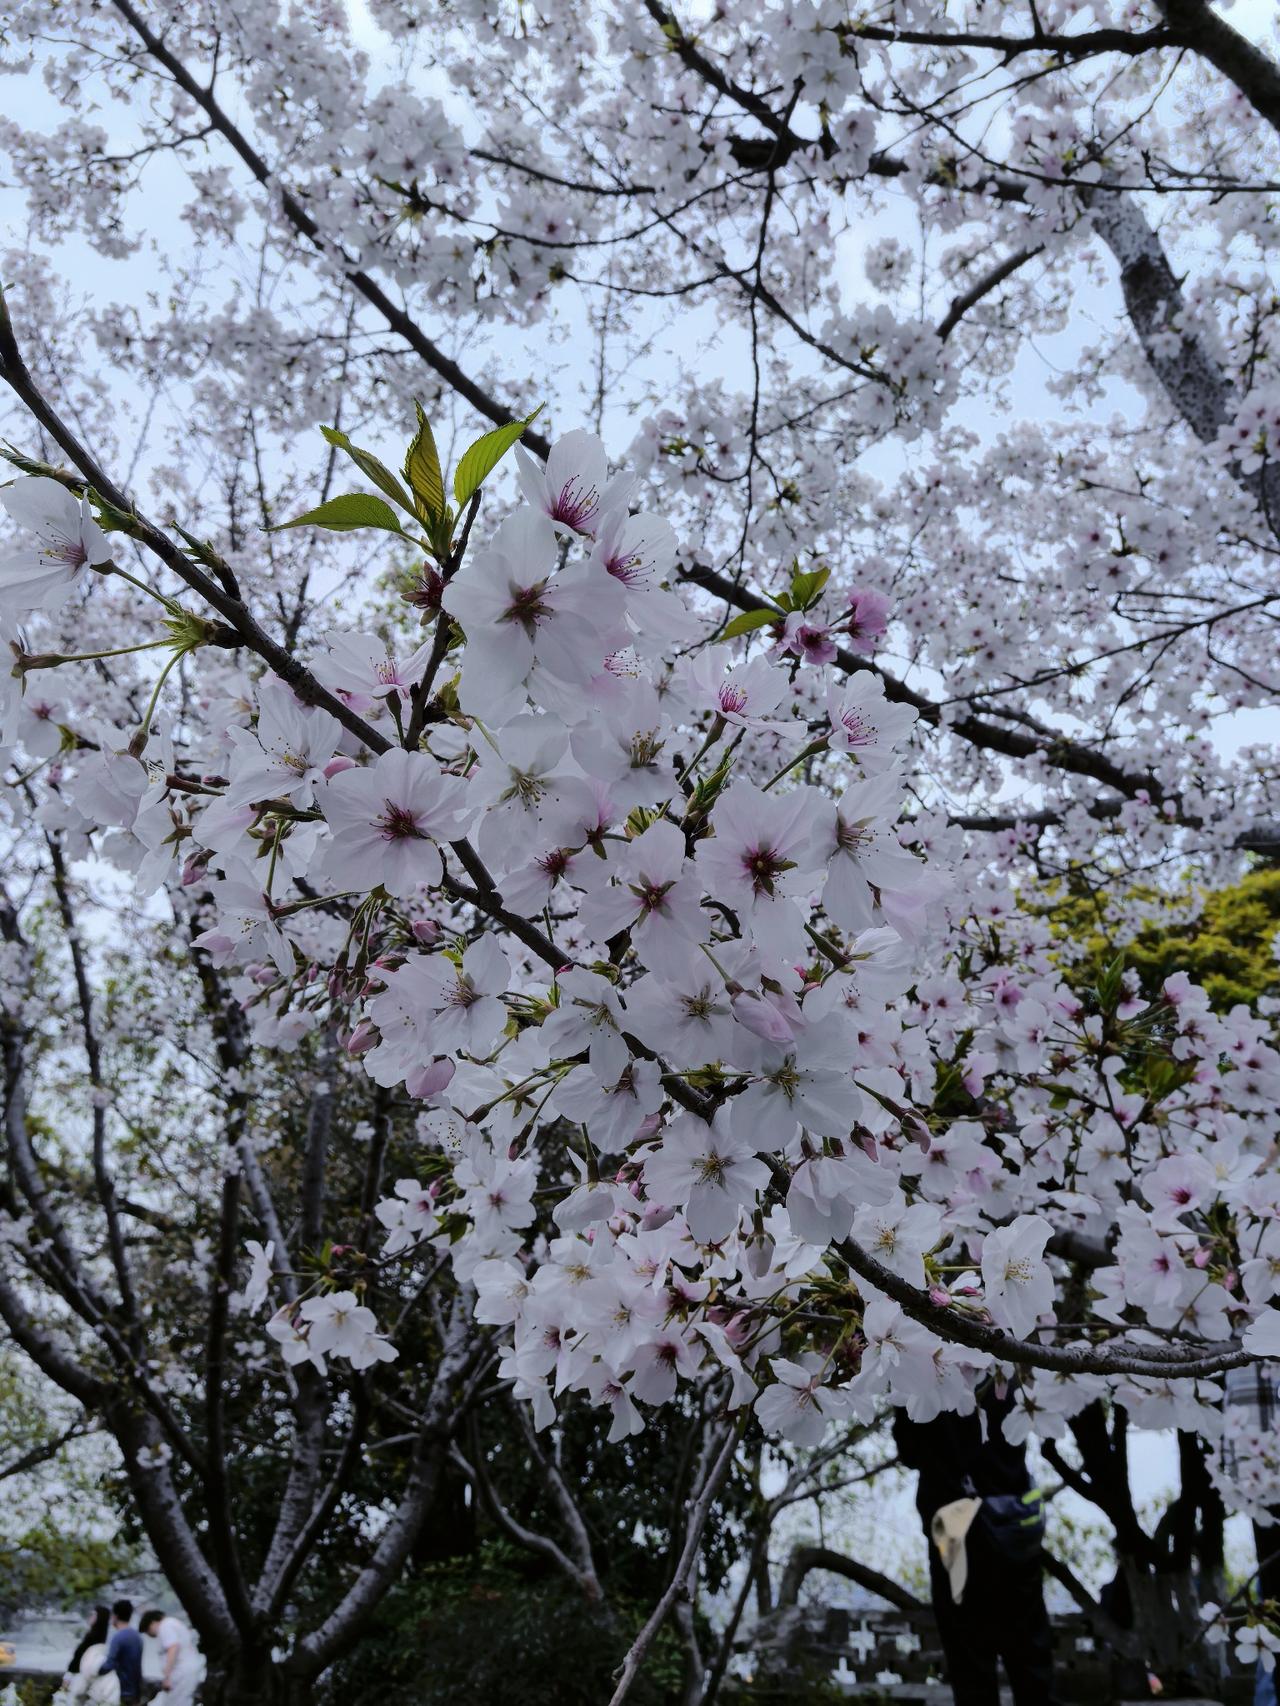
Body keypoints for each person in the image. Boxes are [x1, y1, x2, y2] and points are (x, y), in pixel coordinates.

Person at [894, 1388, 1060, 1706]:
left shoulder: (920, 1382)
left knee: (970, 1655)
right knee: (1030, 1649)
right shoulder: (1003, 1374)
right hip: (1013, 1524)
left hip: (955, 1526)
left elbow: (910, 1452)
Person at [140, 1609, 200, 1704]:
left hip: (181, 1673)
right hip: (187, 1671)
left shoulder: (165, 1626)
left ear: (152, 1623)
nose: (151, 1635)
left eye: (148, 1631)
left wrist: (167, 1677)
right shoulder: (173, 1623)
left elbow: (173, 1647)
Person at [97, 1601, 143, 1705]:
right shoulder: (137, 1637)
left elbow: (110, 1664)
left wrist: (96, 1670)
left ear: (115, 1616)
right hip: (136, 1689)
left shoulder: (118, 1638)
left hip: (122, 1690)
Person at [65, 1608, 110, 1683]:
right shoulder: (100, 1637)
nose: (90, 1617)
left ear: (99, 1618)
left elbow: (78, 1657)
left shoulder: (92, 1638)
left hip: (78, 1676)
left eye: (93, 1615)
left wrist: (68, 1676)